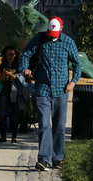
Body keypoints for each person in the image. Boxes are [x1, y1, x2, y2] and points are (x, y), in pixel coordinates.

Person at [19, 16, 81, 171]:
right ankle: (44, 159)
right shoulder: (39, 39)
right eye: (50, 33)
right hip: (42, 90)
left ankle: (57, 158)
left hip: (61, 90)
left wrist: (73, 82)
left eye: (55, 34)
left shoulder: (67, 42)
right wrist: (24, 69)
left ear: (60, 29)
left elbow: (77, 64)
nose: (51, 36)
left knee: (59, 127)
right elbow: (25, 55)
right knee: (44, 125)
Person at [0, 46, 21, 144]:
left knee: (14, 116)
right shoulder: (3, 65)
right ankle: (3, 136)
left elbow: (20, 79)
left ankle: (14, 137)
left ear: (16, 55)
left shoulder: (19, 65)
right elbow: (0, 80)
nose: (10, 57)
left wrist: (10, 75)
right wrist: (3, 75)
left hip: (15, 92)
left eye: (12, 54)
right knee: (2, 115)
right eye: (7, 55)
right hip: (4, 92)